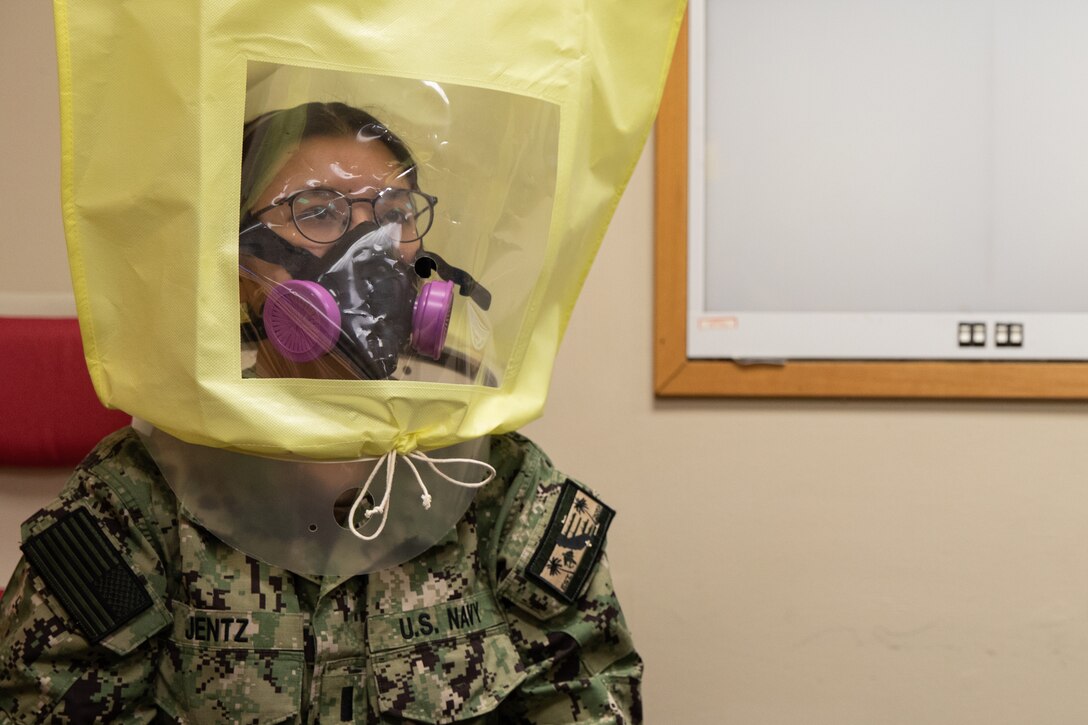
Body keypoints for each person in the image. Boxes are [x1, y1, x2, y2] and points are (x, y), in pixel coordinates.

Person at [0, 102, 642, 723]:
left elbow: (588, 697)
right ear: (236, 259)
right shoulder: (140, 496)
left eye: (395, 213)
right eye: (318, 212)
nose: (373, 246)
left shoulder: (492, 481)